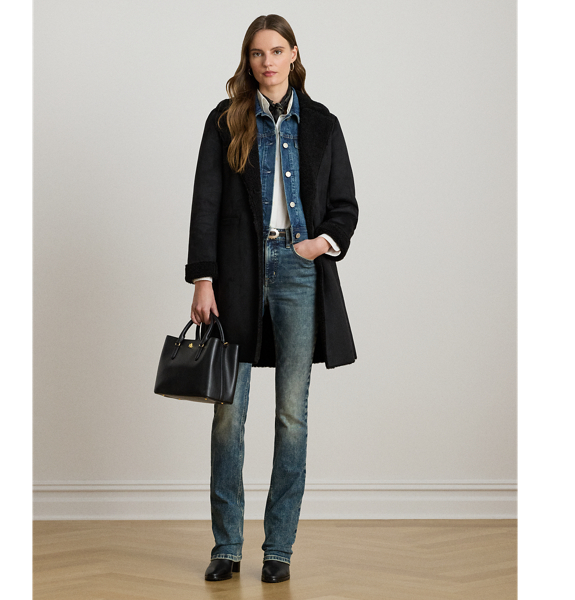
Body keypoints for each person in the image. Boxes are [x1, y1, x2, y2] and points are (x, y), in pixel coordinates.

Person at [185, 14, 359, 584]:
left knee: (291, 416)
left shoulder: (322, 123)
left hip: (298, 272)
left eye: (277, 51)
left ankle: (278, 549)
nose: (267, 62)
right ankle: (227, 546)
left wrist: (318, 244)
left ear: (294, 55)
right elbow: (205, 203)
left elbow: (345, 204)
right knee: (228, 415)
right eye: (258, 53)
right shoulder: (225, 120)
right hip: (236, 273)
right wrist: (203, 278)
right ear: (249, 59)